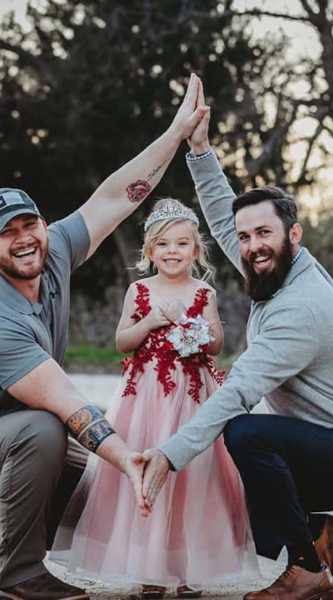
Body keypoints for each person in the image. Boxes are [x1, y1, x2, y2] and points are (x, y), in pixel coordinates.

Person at [0, 75, 209, 600]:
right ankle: (17, 573)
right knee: (50, 432)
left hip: (22, 442)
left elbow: (117, 196)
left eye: (29, 224)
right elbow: (68, 406)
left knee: (104, 488)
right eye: (7, 232)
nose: (24, 239)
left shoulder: (54, 248)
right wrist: (128, 459)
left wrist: (176, 133)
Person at [140, 87, 333, 600]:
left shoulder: (301, 307)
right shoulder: (272, 266)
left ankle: (306, 571)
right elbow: (219, 214)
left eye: (264, 234)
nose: (251, 246)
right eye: (245, 236)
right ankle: (319, 532)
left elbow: (240, 393)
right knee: (228, 450)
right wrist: (199, 150)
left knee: (242, 436)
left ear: (294, 235)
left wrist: (168, 454)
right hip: (319, 440)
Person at [51, 198, 259, 599]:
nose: (172, 252)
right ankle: (148, 569)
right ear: (149, 252)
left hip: (192, 396)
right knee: (145, 473)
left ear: (196, 251)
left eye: (182, 244)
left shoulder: (203, 292)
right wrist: (151, 322)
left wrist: (196, 330)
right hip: (146, 397)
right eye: (163, 245)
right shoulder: (139, 290)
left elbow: (216, 345)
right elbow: (121, 342)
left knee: (193, 479)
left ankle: (185, 570)